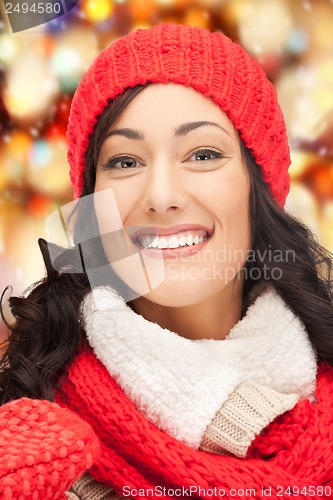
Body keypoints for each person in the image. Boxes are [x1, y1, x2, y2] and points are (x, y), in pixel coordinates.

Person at [1, 23, 333, 499]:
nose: (161, 196)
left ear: (257, 188)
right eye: (125, 161)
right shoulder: (28, 446)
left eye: (202, 154)